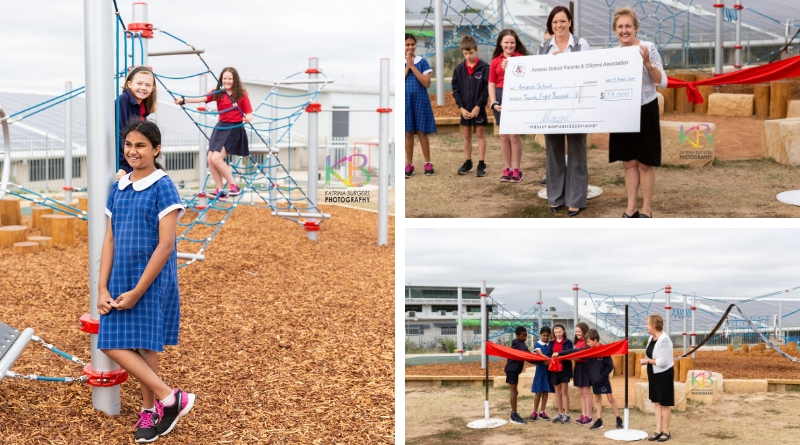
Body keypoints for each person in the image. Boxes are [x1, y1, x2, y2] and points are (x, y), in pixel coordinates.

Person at [97, 120, 195, 443]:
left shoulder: (162, 185)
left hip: (151, 278)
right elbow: (109, 240)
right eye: (128, 145)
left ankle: (149, 410)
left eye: (140, 145)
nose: (132, 151)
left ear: (156, 149)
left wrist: (139, 290)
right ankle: (170, 397)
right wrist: (101, 287)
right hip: (120, 275)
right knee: (110, 340)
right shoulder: (119, 187)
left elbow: (166, 244)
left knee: (145, 342)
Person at [609, 7, 668, 218]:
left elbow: (663, 81)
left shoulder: (647, 47)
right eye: (620, 27)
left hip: (645, 108)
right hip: (622, 111)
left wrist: (647, 63)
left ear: (636, 28)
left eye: (628, 26)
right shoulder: (613, 54)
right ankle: (631, 207)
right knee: (628, 163)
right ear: (615, 30)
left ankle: (646, 209)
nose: (624, 30)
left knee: (644, 163)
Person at [539, 6, 591, 216]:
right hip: (552, 106)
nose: (558, 25)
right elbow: (537, 75)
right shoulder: (544, 47)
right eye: (554, 22)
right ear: (550, 26)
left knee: (577, 149)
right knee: (553, 150)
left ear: (570, 22)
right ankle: (556, 196)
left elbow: (589, 71)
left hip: (577, 104)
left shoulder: (581, 44)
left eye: (562, 21)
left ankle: (575, 198)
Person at [176, 67, 253, 199]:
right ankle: (220, 190)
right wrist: (185, 100)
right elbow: (202, 98)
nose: (227, 81)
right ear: (221, 79)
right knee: (210, 159)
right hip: (221, 126)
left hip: (234, 127)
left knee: (217, 158)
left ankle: (234, 185)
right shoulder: (219, 92)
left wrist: (248, 118)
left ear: (235, 80)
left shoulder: (241, 94)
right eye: (224, 78)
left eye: (230, 79)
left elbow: (249, 112)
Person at [488, 29, 530, 183]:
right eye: (506, 42)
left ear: (516, 43)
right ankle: (507, 169)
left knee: (514, 135)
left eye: (512, 42)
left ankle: (517, 169)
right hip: (499, 95)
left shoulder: (521, 59)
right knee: (504, 135)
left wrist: (511, 67)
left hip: (516, 95)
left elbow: (526, 78)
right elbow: (491, 83)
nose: (509, 45)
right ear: (500, 43)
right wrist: (493, 102)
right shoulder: (495, 61)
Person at [452, 35, 490, 177]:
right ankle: (468, 162)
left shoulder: (485, 67)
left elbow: (487, 89)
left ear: (476, 50)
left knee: (480, 133)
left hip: (478, 109)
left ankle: (481, 163)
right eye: (465, 53)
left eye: (471, 53)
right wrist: (461, 108)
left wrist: (478, 106)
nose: (468, 56)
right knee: (467, 134)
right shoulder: (459, 69)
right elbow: (455, 90)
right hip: (465, 109)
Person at [115, 66, 157, 180]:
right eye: (139, 83)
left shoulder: (141, 107)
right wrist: (124, 167)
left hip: (135, 160)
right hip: (125, 162)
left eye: (148, 85)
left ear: (152, 88)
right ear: (129, 84)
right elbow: (120, 134)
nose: (143, 88)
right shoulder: (123, 101)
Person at [405, 33, 436, 178]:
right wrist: (407, 66)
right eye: (407, 45)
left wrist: (413, 66)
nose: (410, 47)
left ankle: (427, 162)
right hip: (406, 102)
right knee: (408, 133)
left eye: (412, 44)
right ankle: (409, 164)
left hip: (420, 101)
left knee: (422, 132)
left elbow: (426, 82)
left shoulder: (422, 62)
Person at [639, 314, 675, 442]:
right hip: (653, 373)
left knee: (664, 403)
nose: (646, 326)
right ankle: (658, 430)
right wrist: (648, 361)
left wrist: (647, 361)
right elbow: (651, 355)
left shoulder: (665, 340)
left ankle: (666, 430)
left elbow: (662, 362)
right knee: (656, 403)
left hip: (664, 374)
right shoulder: (651, 338)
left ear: (654, 326)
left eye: (647, 324)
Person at [553, 321, 593, 425]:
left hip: (585, 368)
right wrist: (566, 356)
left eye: (579, 331)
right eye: (576, 331)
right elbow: (573, 353)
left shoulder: (587, 342)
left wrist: (562, 356)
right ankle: (584, 415)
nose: (577, 333)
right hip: (578, 368)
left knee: (586, 393)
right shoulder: (578, 342)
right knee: (581, 393)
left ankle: (589, 416)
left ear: (585, 331)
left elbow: (578, 355)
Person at [584, 329, 623, 431]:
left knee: (610, 398)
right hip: (594, 380)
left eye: (588, 341)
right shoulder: (588, 350)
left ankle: (618, 419)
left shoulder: (603, 350)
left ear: (595, 340)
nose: (587, 344)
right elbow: (574, 353)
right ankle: (599, 421)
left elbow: (610, 366)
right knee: (597, 399)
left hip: (603, 380)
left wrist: (602, 376)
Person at [505, 326, 533, 424]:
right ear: (517, 336)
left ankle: (514, 413)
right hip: (512, 371)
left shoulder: (516, 343)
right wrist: (540, 361)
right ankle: (514, 415)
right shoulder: (519, 344)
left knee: (515, 392)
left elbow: (527, 353)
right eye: (523, 336)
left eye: (526, 336)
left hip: (512, 370)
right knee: (514, 392)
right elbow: (527, 355)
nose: (525, 338)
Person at [548, 323, 573, 424]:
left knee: (564, 392)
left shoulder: (568, 342)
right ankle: (560, 413)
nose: (558, 334)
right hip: (554, 370)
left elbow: (570, 352)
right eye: (556, 332)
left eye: (559, 332)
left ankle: (567, 415)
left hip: (564, 369)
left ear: (563, 332)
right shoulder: (551, 343)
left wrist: (559, 355)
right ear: (553, 333)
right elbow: (549, 354)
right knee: (557, 393)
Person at [529, 325, 554, 421]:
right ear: (540, 335)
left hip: (549, 370)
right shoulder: (537, 344)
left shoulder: (551, 344)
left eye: (547, 335)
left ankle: (542, 411)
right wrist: (549, 359)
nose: (546, 337)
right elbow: (539, 353)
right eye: (544, 335)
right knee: (538, 392)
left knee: (546, 391)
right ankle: (534, 412)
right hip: (540, 370)